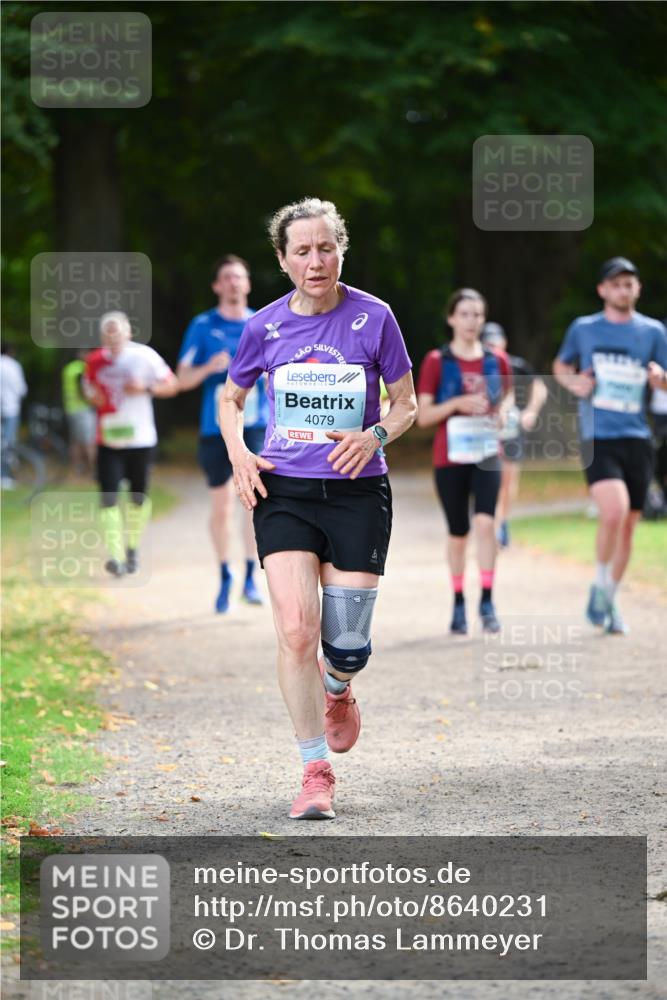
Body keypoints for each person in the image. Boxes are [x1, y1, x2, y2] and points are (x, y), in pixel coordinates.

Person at [219, 197, 416, 820]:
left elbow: (405, 403)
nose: (315, 260)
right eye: (301, 250)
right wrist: (240, 454)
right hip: (285, 492)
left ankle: (339, 686)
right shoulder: (265, 327)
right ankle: (314, 770)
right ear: (282, 260)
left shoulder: (374, 317)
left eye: (325, 247)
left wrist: (375, 435)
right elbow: (231, 398)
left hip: (358, 490)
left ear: (341, 250)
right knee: (297, 628)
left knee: (348, 644)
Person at [553, 257, 667, 634]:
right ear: (603, 289)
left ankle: (608, 596)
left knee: (630, 526)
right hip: (598, 435)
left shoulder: (652, 332)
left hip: (638, 436)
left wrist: (659, 379)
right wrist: (574, 384)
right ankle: (602, 582)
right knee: (614, 512)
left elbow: (665, 379)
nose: (624, 289)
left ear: (637, 289)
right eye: (616, 283)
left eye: (630, 283)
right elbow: (561, 366)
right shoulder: (584, 329)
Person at [416, 289, 512, 636]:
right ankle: (458, 600)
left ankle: (486, 600)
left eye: (478, 314)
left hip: (487, 454)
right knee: (459, 534)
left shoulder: (496, 360)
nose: (473, 321)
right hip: (450, 457)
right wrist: (456, 402)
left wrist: (503, 414)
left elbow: (508, 400)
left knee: (487, 524)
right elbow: (423, 415)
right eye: (466, 314)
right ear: (452, 318)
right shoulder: (436, 361)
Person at [177, 255, 269, 612]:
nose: (233, 283)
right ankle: (225, 574)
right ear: (217, 286)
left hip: (256, 426)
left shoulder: (262, 324)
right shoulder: (202, 326)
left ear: (247, 284)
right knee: (222, 507)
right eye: (227, 278)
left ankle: (250, 576)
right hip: (214, 430)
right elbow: (180, 379)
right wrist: (208, 368)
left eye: (239, 277)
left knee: (253, 503)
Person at [84, 311, 179, 577]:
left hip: (140, 439)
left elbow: (173, 385)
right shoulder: (94, 361)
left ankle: (133, 549)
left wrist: (146, 389)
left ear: (128, 333)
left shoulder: (144, 356)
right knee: (108, 496)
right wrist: (95, 399)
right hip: (109, 440)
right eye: (108, 335)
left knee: (138, 496)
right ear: (102, 337)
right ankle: (115, 556)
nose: (113, 340)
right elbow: (88, 391)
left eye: (118, 334)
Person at [481, 322, 548, 547]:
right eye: (487, 343)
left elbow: (539, 387)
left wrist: (531, 412)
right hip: (485, 431)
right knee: (489, 479)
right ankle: (490, 523)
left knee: (508, 481)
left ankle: (502, 522)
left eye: (495, 342)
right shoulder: (478, 367)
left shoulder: (517, 365)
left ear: (504, 343)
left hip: (511, 430)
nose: (492, 347)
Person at [62, 349, 96, 475]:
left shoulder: (69, 368)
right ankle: (95, 470)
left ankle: (77, 468)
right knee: (89, 441)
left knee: (75, 440)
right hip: (83, 409)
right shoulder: (83, 368)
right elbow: (84, 390)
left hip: (71, 408)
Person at [0, 343, 28, 490]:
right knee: (8, 443)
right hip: (11, 409)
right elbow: (22, 389)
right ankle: (4, 477)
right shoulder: (14, 366)